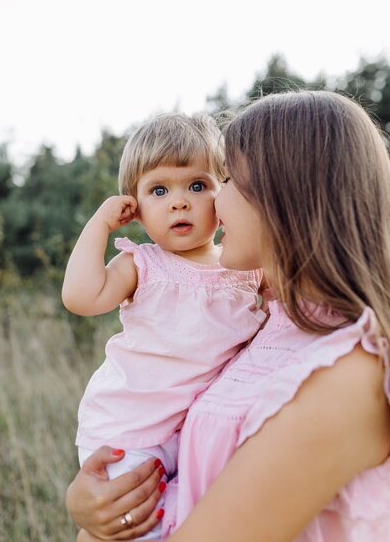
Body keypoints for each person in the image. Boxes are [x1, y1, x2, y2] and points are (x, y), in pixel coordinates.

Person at [66, 90, 390, 542]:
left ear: (287, 192)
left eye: (225, 181)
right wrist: (94, 514)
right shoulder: (267, 321)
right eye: (162, 190)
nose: (207, 203)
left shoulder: (346, 371)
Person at [62, 113, 265, 540]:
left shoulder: (246, 271)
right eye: (159, 190)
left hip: (191, 436)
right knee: (138, 528)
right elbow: (81, 297)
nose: (179, 201)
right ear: (133, 208)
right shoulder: (143, 264)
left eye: (197, 185)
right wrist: (99, 225)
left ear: (225, 192)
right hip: (128, 430)